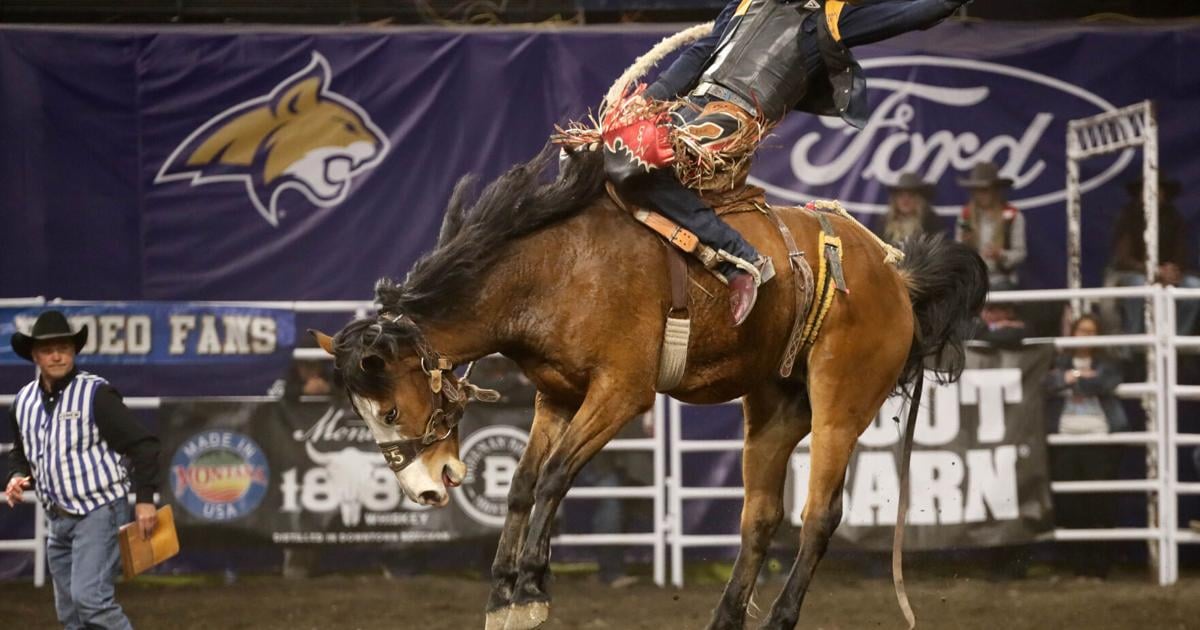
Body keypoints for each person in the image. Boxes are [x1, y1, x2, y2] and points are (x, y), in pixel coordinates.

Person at [600, 0, 972, 326]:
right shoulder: (746, 2)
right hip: (688, 109)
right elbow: (702, 52)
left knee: (633, 166)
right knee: (593, 153)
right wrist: (649, 102)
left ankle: (742, 258)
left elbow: (914, 12)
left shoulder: (831, 18)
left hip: (735, 119)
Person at [4, 310, 160, 629]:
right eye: (49, 349)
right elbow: (21, 452)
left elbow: (143, 444)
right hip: (57, 517)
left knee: (90, 601)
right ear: (35, 355)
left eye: (64, 347)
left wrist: (144, 499)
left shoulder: (96, 394)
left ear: (74, 351)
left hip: (99, 511)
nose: (58, 355)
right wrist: (16, 477)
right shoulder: (23, 402)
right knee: (71, 615)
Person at [1043, 314, 1128, 578]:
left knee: (1099, 502)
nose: (1086, 336)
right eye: (1082, 330)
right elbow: (1046, 383)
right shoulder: (1057, 361)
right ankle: (1076, 564)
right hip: (1064, 434)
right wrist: (1081, 377)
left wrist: (1071, 378)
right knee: (1070, 502)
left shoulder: (1107, 363)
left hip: (1099, 434)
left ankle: (1100, 565)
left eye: (1092, 331)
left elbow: (1104, 382)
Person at [1109, 176, 1200, 335]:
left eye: (1157, 190)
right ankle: (1137, 341)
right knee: (1139, 286)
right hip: (1133, 273)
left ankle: (1175, 339)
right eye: (1147, 190)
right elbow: (1123, 259)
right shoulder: (1128, 216)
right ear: (1140, 194)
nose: (1152, 194)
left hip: (1168, 275)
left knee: (1194, 287)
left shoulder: (1174, 217)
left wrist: (1173, 270)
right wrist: (1152, 270)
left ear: (1164, 194)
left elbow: (1181, 253)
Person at [955, 161, 1026, 290]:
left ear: (995, 190)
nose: (981, 194)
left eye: (985, 189)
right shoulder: (965, 216)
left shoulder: (1013, 216)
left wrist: (1001, 255)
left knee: (1001, 287)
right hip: (973, 279)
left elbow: (1020, 253)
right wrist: (965, 245)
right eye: (977, 190)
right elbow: (957, 253)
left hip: (1002, 278)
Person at [872, 171, 944, 246]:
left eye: (911, 195)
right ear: (895, 200)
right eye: (901, 195)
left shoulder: (931, 221)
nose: (905, 200)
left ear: (919, 200)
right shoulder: (884, 222)